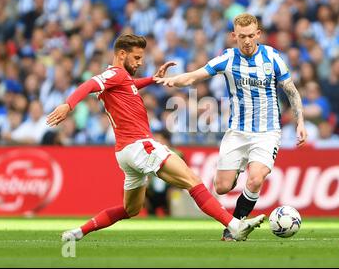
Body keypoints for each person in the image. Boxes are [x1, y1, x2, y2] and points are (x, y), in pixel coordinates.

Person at [47, 34, 264, 242]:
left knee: (130, 209)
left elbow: (130, 85)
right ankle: (234, 225)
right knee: (193, 181)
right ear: (122, 55)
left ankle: (78, 232)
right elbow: (90, 84)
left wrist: (153, 78)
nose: (141, 62)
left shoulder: (121, 80)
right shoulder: (115, 74)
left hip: (124, 152)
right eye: (137, 58)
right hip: (140, 145)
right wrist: (69, 105)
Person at [156, 13, 307, 241]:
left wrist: (300, 122)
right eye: (242, 36)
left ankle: (233, 228)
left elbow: (291, 90)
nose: (247, 41)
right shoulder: (227, 59)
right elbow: (194, 77)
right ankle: (235, 173)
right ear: (233, 36)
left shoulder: (272, 57)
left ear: (258, 34)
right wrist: (170, 80)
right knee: (222, 187)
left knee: (256, 179)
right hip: (237, 132)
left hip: (267, 132)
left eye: (251, 36)